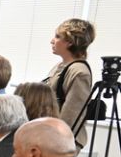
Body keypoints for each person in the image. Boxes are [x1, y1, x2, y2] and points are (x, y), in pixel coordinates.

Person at [41, 18, 96, 148]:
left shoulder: (79, 72)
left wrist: (54, 141)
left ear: (70, 42)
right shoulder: (60, 66)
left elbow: (71, 114)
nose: (52, 41)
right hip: (50, 134)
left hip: (62, 141)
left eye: (57, 36)